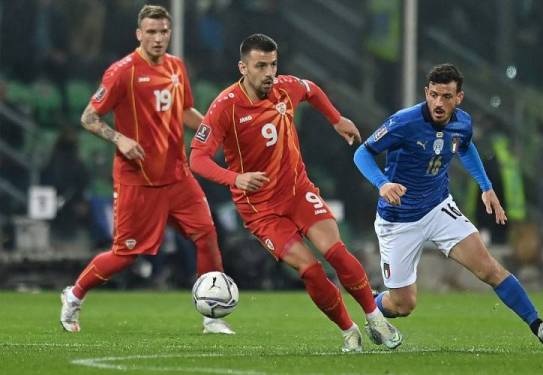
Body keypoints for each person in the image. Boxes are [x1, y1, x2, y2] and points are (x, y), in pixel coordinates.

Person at [189, 33, 401, 352]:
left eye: (273, 64)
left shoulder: (285, 87)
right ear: (243, 67)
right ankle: (349, 331)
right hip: (261, 210)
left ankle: (375, 318)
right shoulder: (225, 106)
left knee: (337, 253)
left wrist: (336, 118)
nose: (269, 72)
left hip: (297, 191)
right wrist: (236, 178)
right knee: (310, 270)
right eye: (260, 66)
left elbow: (311, 90)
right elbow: (197, 159)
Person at [353, 63, 543, 350]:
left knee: (489, 269)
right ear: (426, 93)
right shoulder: (404, 122)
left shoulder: (463, 122)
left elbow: (464, 146)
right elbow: (362, 152)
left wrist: (486, 186)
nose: (439, 103)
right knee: (403, 304)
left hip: (439, 208)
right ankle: (373, 305)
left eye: (447, 96)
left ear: (459, 98)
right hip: (398, 218)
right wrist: (382, 183)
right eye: (434, 95)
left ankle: (539, 326)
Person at [60, 5, 233, 335]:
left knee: (207, 237)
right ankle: (75, 293)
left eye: (163, 31)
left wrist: (216, 133)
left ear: (170, 33)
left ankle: (211, 316)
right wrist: (119, 138)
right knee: (126, 255)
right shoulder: (122, 71)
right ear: (139, 34)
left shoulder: (177, 67)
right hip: (138, 179)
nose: (158, 38)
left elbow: (183, 111)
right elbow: (88, 117)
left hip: (178, 175)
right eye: (151, 32)